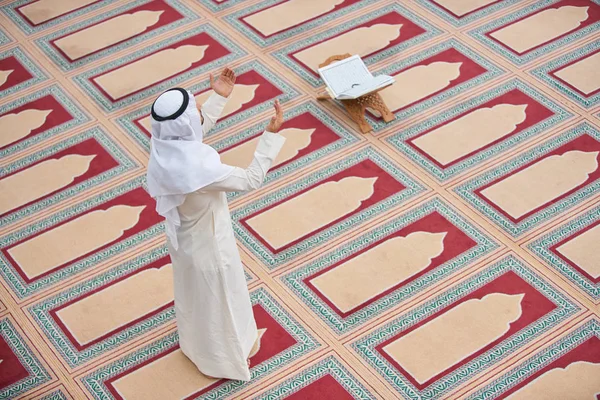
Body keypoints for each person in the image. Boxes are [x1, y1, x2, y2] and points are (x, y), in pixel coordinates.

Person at [146, 67, 286, 381]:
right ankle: (226, 361)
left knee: (197, 301)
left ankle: (199, 351)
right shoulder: (202, 172)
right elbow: (251, 179)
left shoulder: (163, 149)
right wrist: (271, 135)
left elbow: (190, 132)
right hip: (213, 250)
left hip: (184, 245)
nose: (199, 114)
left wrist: (218, 98)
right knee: (223, 302)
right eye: (196, 111)